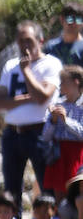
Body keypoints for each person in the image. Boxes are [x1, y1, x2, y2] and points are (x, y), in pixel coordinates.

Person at [0, 20, 62, 209]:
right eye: (20, 41)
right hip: (13, 133)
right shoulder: (10, 66)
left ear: (40, 41)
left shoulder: (50, 64)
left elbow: (42, 97)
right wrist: (27, 98)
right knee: (11, 190)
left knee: (46, 187)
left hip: (39, 132)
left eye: (29, 41)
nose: (24, 46)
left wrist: (26, 70)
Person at [41, 64, 83, 194]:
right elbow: (45, 136)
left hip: (77, 154)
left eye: (64, 82)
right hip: (59, 154)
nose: (60, 86)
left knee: (76, 191)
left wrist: (66, 121)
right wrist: (53, 121)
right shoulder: (58, 104)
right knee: (59, 192)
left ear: (76, 82)